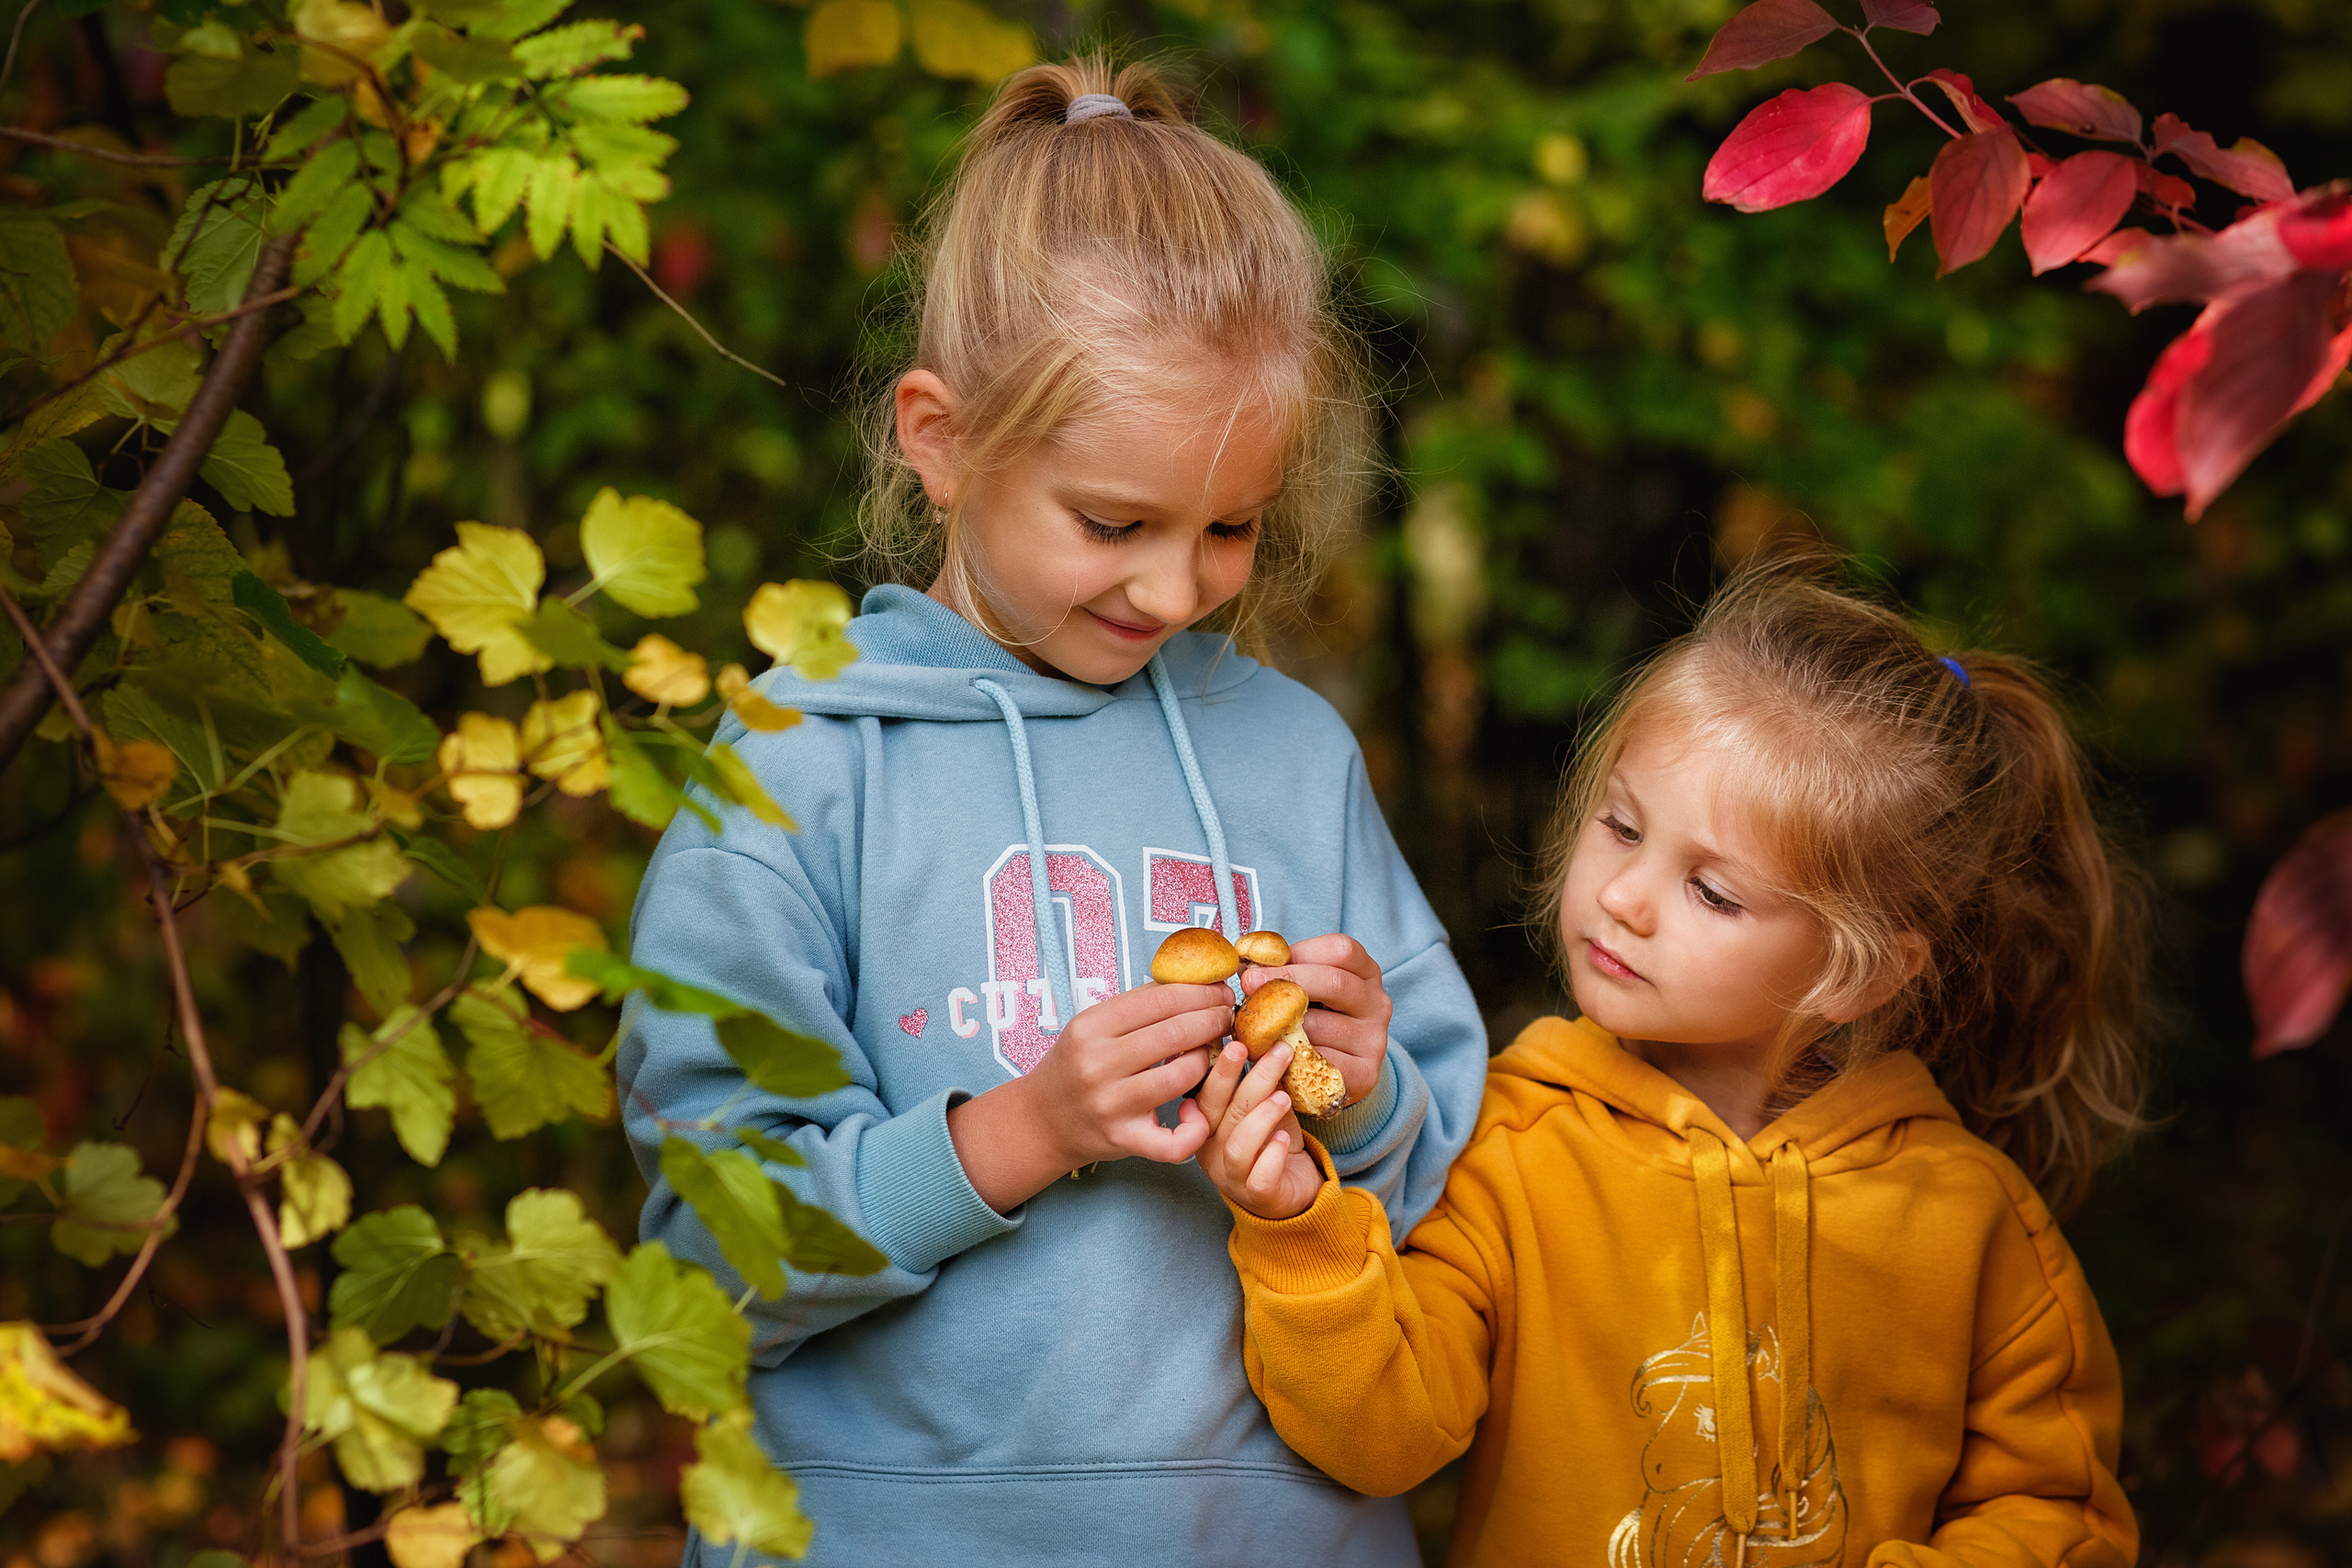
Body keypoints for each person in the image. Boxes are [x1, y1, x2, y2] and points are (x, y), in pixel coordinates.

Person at [616, 56, 1487, 1568]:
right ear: (939, 438)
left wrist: (1360, 1091)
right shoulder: (800, 768)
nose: (1175, 586)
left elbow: (1452, 1202)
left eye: (1230, 526)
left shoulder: (1289, 755)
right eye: (1114, 523)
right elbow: (712, 1256)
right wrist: (1019, 1131)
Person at [1194, 567, 2153, 1567]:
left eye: (1713, 892)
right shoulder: (1514, 1146)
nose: (1625, 899)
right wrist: (1297, 1234)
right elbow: (1382, 1436)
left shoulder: (1969, 1218)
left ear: (1856, 973)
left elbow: (2062, 1514)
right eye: (1621, 828)